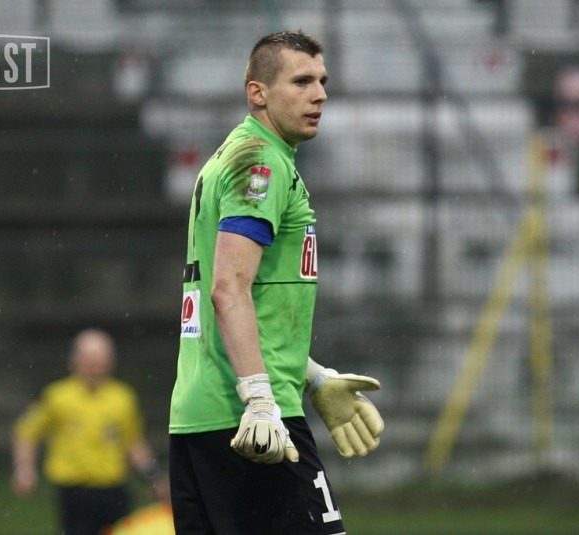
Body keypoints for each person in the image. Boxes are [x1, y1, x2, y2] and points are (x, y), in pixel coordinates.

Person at [168, 30, 384, 535]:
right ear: (258, 93)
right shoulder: (260, 163)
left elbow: (238, 302)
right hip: (255, 426)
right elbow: (229, 289)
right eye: (302, 81)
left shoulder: (236, 155)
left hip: (199, 418)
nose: (320, 95)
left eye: (322, 81)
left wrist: (312, 377)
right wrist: (261, 400)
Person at [12, 328, 169, 535]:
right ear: (74, 360)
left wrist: (152, 476)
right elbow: (27, 432)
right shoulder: (57, 397)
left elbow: (133, 443)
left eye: (101, 357)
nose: (95, 364)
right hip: (75, 492)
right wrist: (25, 468)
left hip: (114, 490)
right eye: (89, 357)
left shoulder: (122, 398)